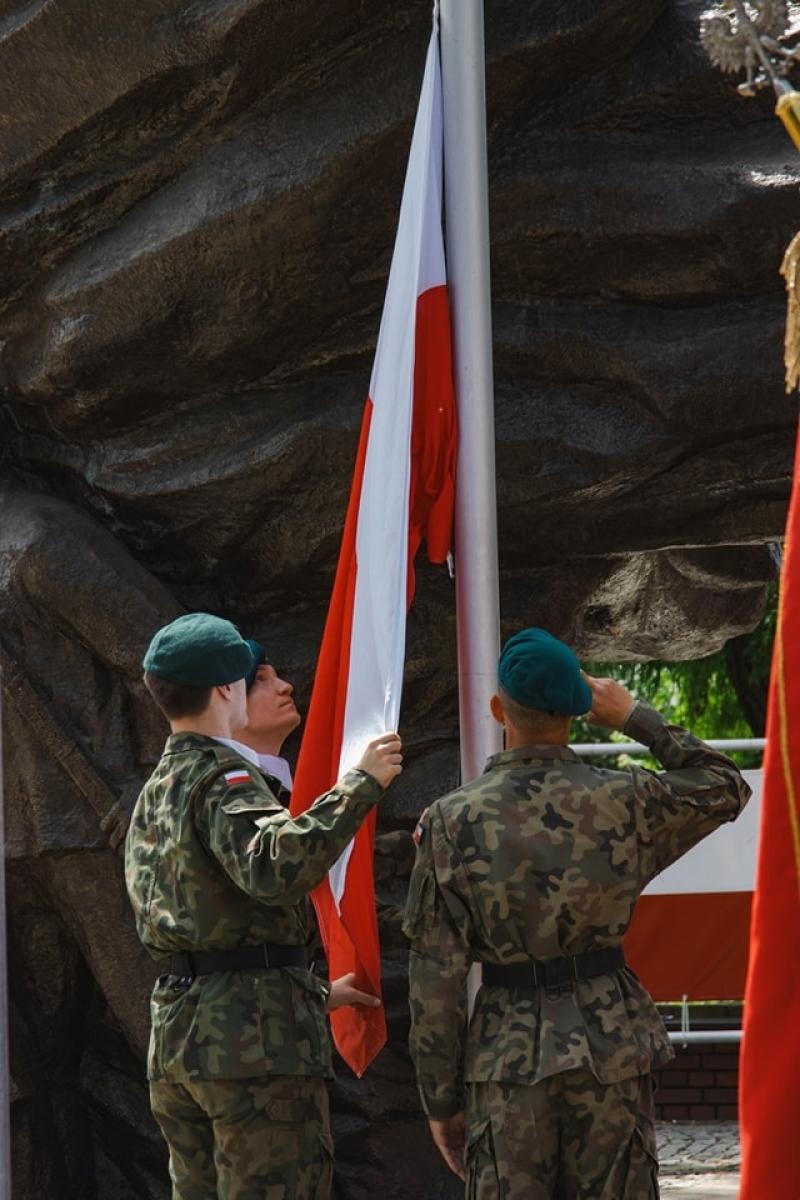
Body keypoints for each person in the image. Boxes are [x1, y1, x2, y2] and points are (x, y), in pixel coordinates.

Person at [403, 627, 751, 1199]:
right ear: (578, 708)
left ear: (498, 709)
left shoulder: (450, 822)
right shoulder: (626, 800)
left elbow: (434, 980)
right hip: (610, 1046)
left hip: (506, 1061)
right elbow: (723, 783)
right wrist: (634, 715)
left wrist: (440, 1101)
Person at [125, 612, 402, 1200]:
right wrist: (362, 783)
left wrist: (310, 991)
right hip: (248, 1050)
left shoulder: (158, 787)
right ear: (226, 689)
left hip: (183, 1039)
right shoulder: (222, 773)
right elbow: (275, 869)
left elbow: (204, 924)